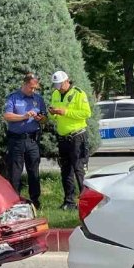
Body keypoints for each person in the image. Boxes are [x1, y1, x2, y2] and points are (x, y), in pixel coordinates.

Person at [48, 71, 92, 210]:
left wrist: (64, 112)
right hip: (63, 137)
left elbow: (86, 113)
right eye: (56, 85)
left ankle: (86, 202)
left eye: (60, 85)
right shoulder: (55, 94)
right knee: (65, 170)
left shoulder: (79, 94)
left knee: (79, 170)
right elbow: (55, 117)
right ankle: (69, 201)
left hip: (77, 136)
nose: (58, 88)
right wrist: (53, 113)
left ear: (67, 81)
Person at [2, 73, 47, 208]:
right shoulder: (13, 98)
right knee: (15, 172)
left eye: (35, 88)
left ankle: (35, 200)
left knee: (34, 170)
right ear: (25, 84)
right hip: (16, 140)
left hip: (32, 140)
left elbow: (45, 118)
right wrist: (24, 116)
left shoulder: (38, 99)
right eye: (31, 87)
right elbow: (7, 116)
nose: (33, 90)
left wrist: (40, 118)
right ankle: (14, 200)